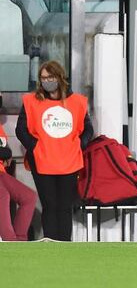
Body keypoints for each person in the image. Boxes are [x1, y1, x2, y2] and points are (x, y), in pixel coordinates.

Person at [16, 60, 93, 241]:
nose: (46, 81)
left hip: (69, 161)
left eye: (50, 77)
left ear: (59, 77)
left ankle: (64, 245)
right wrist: (35, 147)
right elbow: (21, 130)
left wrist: (79, 145)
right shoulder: (31, 101)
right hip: (42, 161)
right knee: (49, 205)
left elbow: (88, 128)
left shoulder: (77, 102)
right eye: (43, 78)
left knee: (65, 207)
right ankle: (50, 244)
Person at [0, 122, 36, 241]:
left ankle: (20, 241)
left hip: (1, 172)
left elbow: (4, 148)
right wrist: (5, 154)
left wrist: (6, 154)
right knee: (2, 194)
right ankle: (10, 241)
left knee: (29, 197)